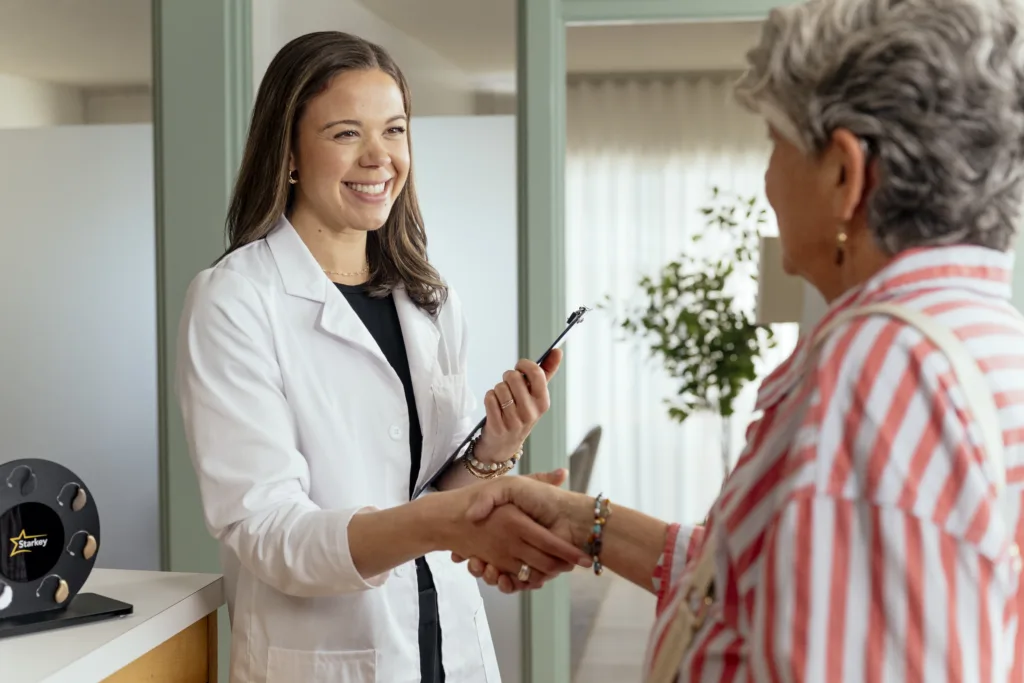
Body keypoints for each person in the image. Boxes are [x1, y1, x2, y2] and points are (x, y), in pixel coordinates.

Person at [454, 0, 1024, 680]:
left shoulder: (878, 374)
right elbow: (764, 580)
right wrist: (586, 522)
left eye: (775, 144)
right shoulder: (981, 337)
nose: (767, 180)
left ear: (844, 173)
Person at [175, 31, 589, 683]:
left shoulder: (427, 299)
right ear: (287, 154)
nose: (380, 157)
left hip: (446, 648)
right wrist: (440, 518)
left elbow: (432, 493)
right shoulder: (235, 301)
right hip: (325, 657)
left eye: (394, 130)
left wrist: (497, 448)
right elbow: (270, 533)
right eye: (346, 133)